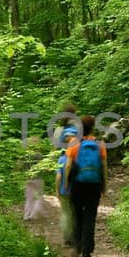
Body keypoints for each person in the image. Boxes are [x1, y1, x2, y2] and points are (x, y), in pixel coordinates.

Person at [63, 114, 107, 257]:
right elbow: (104, 167)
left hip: (77, 183)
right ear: (93, 127)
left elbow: (68, 165)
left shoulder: (74, 143)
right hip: (94, 184)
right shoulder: (99, 144)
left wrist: (66, 182)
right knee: (90, 216)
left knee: (77, 214)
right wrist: (104, 185)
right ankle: (87, 251)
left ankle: (77, 247)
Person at [50, 104, 79, 247]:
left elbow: (54, 150)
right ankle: (77, 235)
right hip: (78, 165)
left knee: (65, 208)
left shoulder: (59, 130)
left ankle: (68, 237)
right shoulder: (78, 129)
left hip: (62, 164)